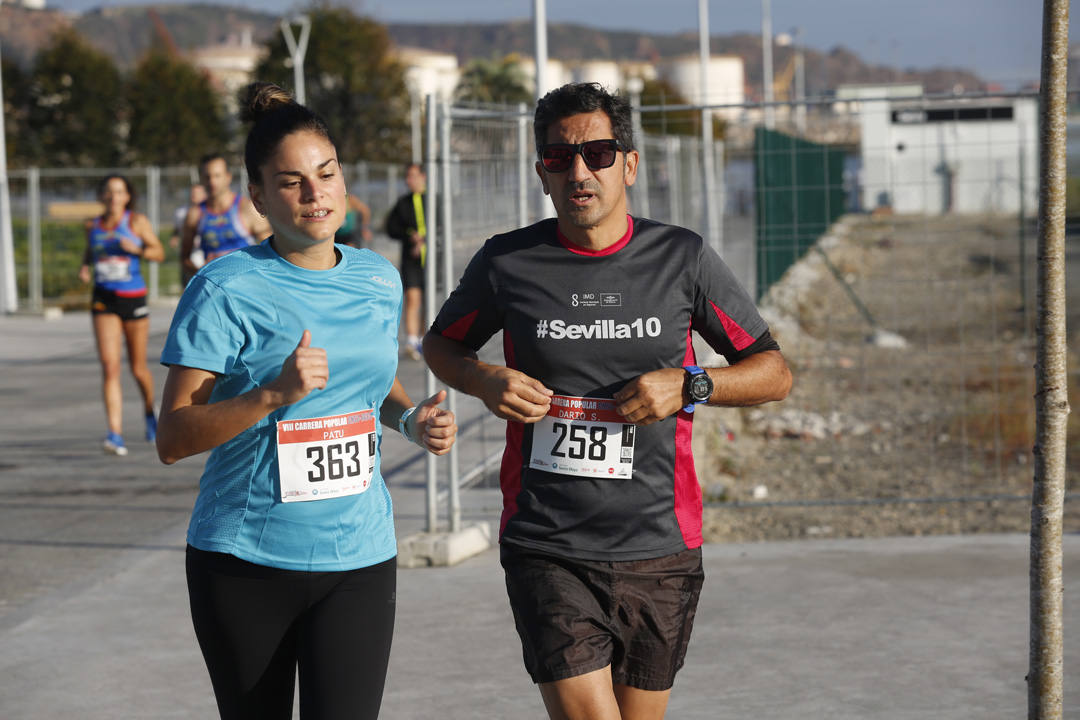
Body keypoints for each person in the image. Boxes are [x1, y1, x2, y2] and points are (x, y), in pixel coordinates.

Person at [423, 82, 792, 720]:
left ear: (629, 163)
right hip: (547, 540)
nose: (579, 171)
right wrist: (485, 380)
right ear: (541, 171)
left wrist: (689, 383)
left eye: (596, 153)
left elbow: (772, 372)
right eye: (559, 157)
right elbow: (440, 346)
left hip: (659, 543)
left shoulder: (682, 257)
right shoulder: (508, 262)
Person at [156, 82, 458, 720]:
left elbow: (374, 388)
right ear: (259, 197)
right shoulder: (224, 288)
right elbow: (173, 437)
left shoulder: (377, 278)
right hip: (246, 563)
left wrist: (409, 418)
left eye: (326, 174)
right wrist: (273, 394)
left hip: (361, 556)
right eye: (291, 182)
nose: (315, 193)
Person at [79, 174, 166, 456]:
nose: (113, 197)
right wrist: (84, 266)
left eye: (119, 192)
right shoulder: (92, 225)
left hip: (133, 299)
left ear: (127, 196)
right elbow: (90, 252)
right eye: (108, 192)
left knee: (138, 367)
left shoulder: (136, 222)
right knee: (109, 366)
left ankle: (149, 411)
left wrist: (137, 249)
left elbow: (159, 252)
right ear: (101, 196)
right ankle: (114, 433)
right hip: (103, 298)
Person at [180, 152, 270, 277]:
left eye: (217, 176)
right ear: (201, 179)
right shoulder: (195, 214)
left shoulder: (247, 208)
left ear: (228, 177)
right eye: (207, 177)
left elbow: (272, 252)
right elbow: (184, 257)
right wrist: (202, 275)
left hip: (247, 284)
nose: (212, 182)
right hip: (215, 287)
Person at [384, 163, 427, 360]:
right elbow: (391, 228)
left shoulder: (434, 200)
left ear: (423, 177)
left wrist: (425, 239)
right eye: (407, 177)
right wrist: (410, 235)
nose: (409, 180)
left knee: (428, 301)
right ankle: (411, 340)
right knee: (412, 297)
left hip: (432, 258)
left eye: (413, 176)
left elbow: (443, 225)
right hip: (411, 259)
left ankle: (424, 339)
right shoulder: (402, 203)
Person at [170, 183, 207, 288]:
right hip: (189, 252)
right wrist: (175, 237)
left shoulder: (209, 211)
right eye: (192, 193)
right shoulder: (181, 212)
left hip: (204, 252)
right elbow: (177, 228)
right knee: (188, 286)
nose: (194, 195)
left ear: (204, 194)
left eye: (198, 193)